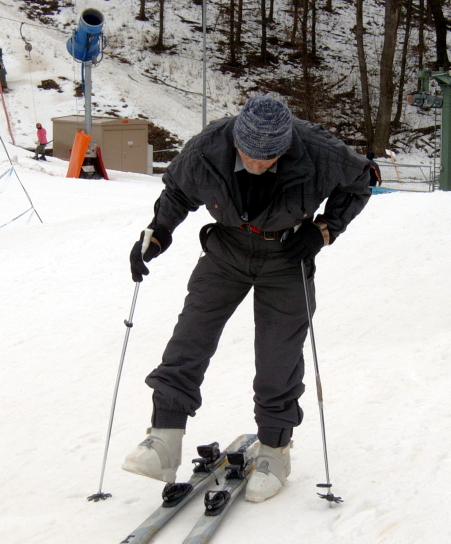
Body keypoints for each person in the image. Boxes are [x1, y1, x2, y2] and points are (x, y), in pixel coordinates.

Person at [123, 95, 372, 502]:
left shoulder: (318, 151)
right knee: (190, 337)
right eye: (248, 155)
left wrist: (323, 231)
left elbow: (360, 181)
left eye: (268, 157)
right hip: (227, 250)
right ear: (237, 139)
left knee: (278, 356)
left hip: (287, 255)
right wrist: (158, 233)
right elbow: (179, 191)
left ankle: (275, 450)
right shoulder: (208, 147)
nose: (256, 163)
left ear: (285, 147)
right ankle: (164, 438)